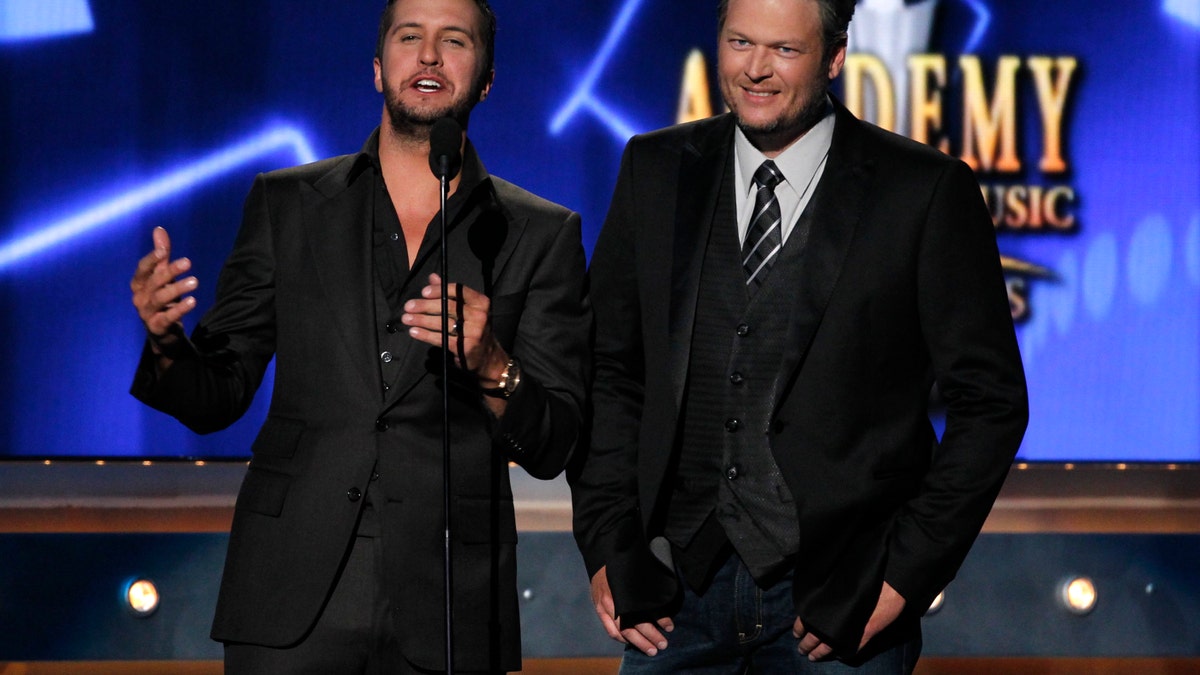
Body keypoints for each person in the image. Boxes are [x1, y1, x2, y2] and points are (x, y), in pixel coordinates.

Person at [129, 0, 590, 672]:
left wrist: (491, 363)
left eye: (453, 40)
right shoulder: (287, 205)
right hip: (290, 593)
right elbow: (217, 395)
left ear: (486, 78)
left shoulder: (541, 234)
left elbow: (554, 443)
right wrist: (166, 339)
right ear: (379, 69)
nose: (428, 55)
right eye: (410, 37)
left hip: (449, 605)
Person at [570, 0, 1028, 672]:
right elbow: (611, 370)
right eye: (739, 42)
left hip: (839, 611)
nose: (756, 69)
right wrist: (608, 542)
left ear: (835, 56)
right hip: (676, 601)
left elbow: (991, 403)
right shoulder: (655, 169)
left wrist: (904, 576)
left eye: (784, 50)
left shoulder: (924, 192)